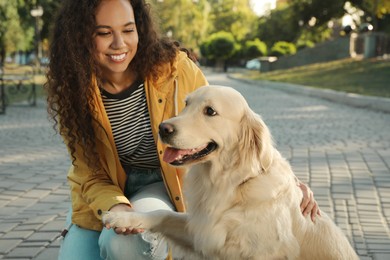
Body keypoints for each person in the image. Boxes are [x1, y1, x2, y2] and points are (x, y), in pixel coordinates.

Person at [45, 0, 319, 259]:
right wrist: (116, 205)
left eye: (128, 30)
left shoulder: (176, 68)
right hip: (103, 190)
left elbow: (226, 125)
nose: (119, 43)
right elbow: (89, 173)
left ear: (139, 27)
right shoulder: (73, 89)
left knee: (124, 242)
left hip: (163, 182)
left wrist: (288, 185)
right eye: (104, 33)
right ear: (80, 36)